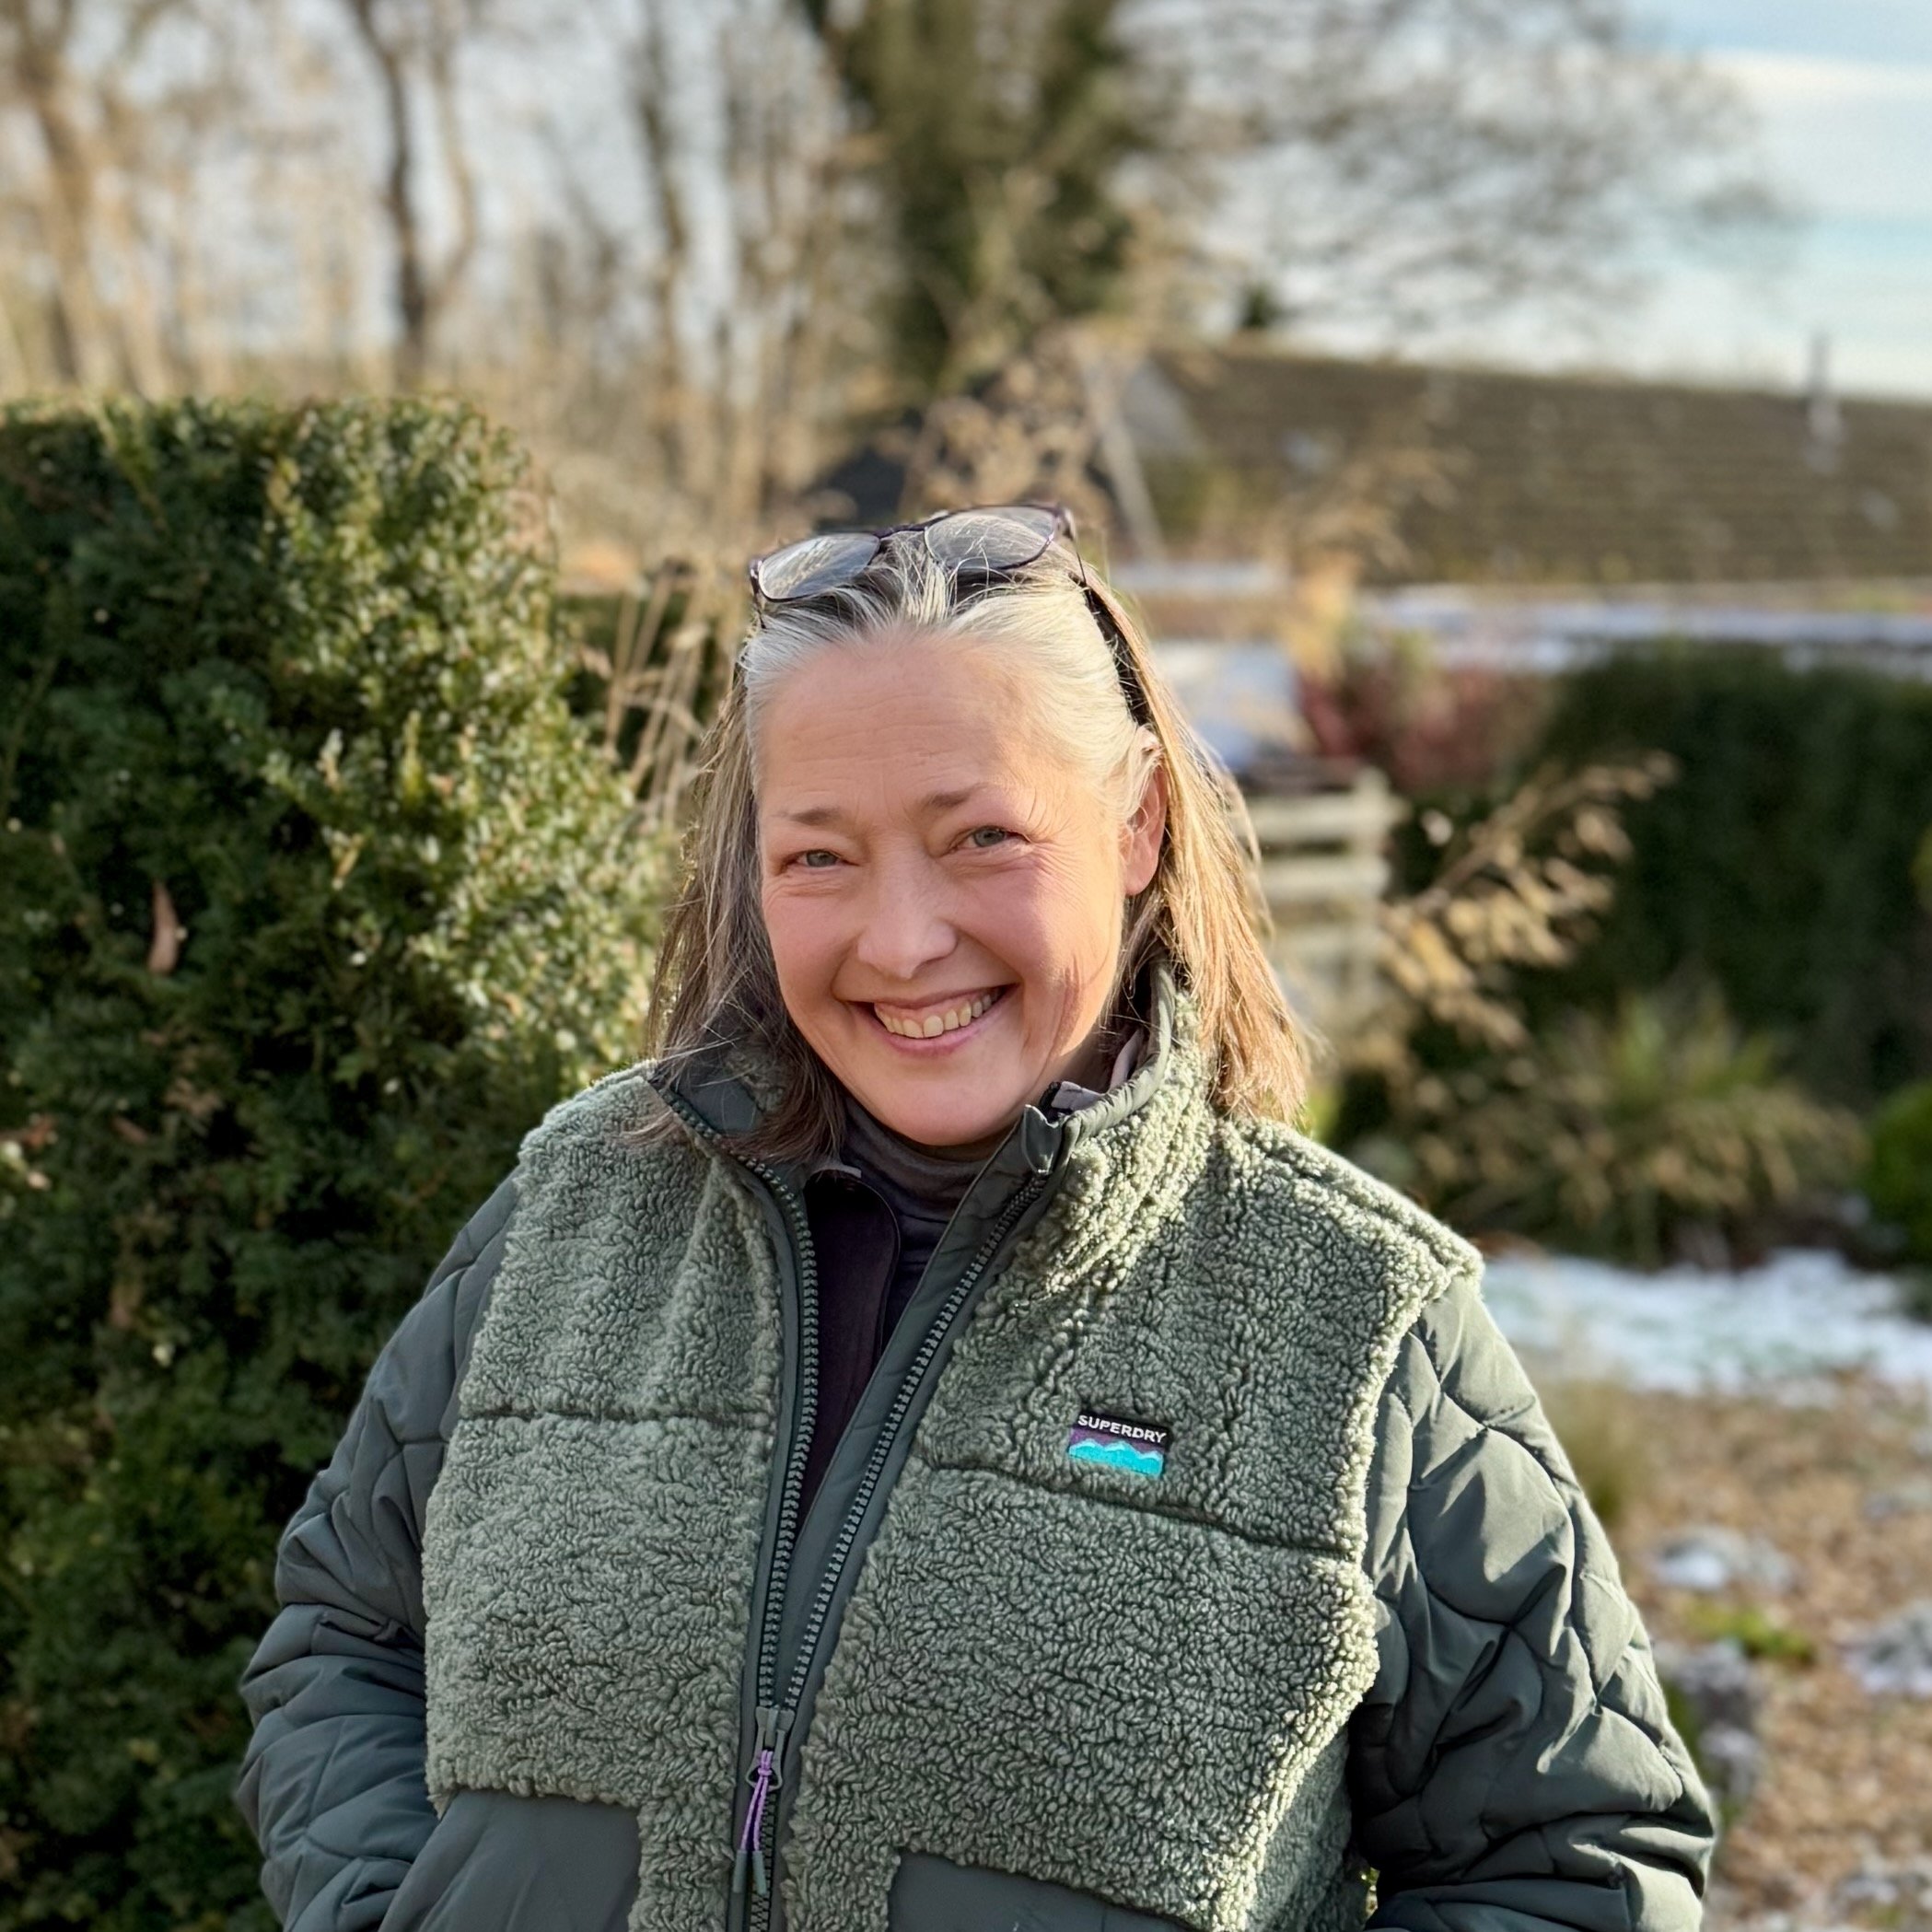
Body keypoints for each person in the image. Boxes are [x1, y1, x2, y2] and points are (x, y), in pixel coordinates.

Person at [235, 504, 1716, 1932]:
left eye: (980, 837)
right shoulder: (568, 1215)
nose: (899, 939)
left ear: (1134, 823)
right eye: (819, 853)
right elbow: (347, 1637)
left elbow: (1581, 1859)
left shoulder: (1351, 1320)